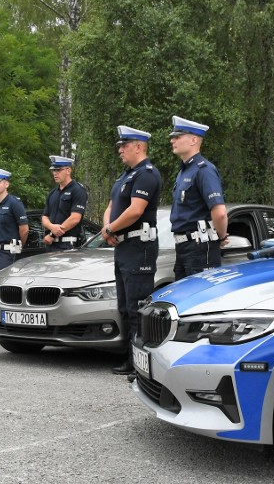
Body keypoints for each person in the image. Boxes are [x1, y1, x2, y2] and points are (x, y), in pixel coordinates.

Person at [100, 125, 162, 376]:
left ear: (139, 146)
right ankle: (130, 358)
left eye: (124, 146)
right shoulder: (124, 176)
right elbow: (111, 205)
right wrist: (108, 228)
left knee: (138, 307)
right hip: (123, 246)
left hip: (139, 246)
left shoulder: (146, 174)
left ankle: (142, 363)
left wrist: (111, 228)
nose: (120, 150)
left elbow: (136, 211)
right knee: (125, 307)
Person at [168, 116, 227, 280]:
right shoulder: (184, 171)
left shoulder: (204, 170)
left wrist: (221, 236)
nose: (173, 140)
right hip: (184, 247)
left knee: (201, 299)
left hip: (200, 247)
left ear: (193, 140)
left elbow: (220, 212)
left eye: (178, 136)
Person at [0, 168, 28, 277]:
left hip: (7, 252)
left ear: (6, 184)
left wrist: (18, 245)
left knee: (4, 284)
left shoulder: (14, 203)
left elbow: (24, 229)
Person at [41, 156, 88, 251]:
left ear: (68, 170)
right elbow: (44, 217)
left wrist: (52, 234)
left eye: (58, 170)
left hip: (68, 244)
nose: (55, 173)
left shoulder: (77, 190)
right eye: (53, 170)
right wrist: (51, 227)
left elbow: (75, 218)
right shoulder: (53, 193)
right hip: (51, 244)